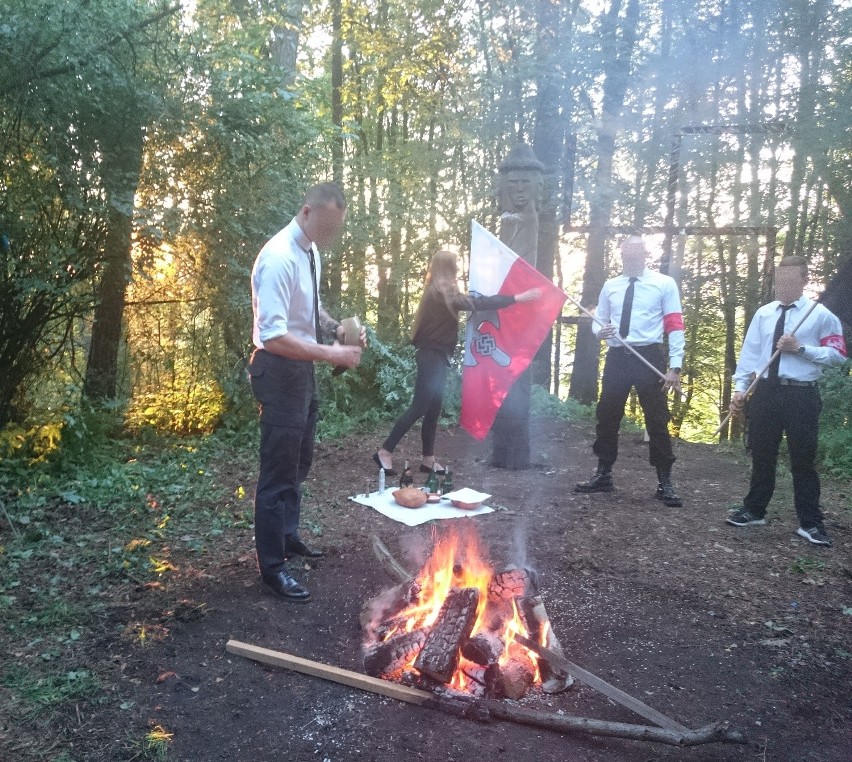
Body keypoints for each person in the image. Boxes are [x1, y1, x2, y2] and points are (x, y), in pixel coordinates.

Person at [250, 183, 366, 601]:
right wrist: (331, 353)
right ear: (306, 211)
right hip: (278, 371)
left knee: (299, 463)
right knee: (277, 472)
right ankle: (272, 567)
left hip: (302, 373)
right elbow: (275, 335)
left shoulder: (310, 251)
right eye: (328, 226)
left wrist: (335, 327)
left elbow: (308, 306)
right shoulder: (278, 257)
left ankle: (287, 535)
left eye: (338, 229)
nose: (331, 236)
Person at [374, 249, 541, 476]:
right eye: (454, 268)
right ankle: (385, 451)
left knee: (434, 409)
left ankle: (428, 459)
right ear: (449, 269)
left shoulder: (438, 291)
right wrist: (516, 298)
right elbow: (476, 303)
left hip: (439, 357)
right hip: (431, 356)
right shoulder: (440, 293)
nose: (456, 273)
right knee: (420, 406)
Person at [726, 256, 847, 546]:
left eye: (789, 281)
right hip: (766, 391)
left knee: (802, 459)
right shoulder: (764, 314)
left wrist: (800, 349)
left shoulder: (821, 315)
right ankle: (754, 509)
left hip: (801, 394)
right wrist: (740, 389)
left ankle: (810, 522)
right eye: (779, 281)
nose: (783, 286)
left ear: (804, 280)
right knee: (762, 454)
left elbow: (838, 355)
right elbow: (750, 354)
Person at [575, 234, 685, 505]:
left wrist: (675, 366)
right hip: (618, 357)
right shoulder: (611, 285)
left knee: (657, 419)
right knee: (607, 415)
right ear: (621, 255)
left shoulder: (663, 283)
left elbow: (675, 325)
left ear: (645, 254)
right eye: (627, 254)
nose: (631, 258)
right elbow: (597, 320)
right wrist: (602, 331)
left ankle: (664, 481)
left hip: (648, 356)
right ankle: (603, 474)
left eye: (636, 253)